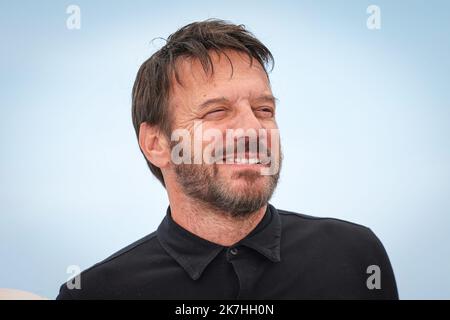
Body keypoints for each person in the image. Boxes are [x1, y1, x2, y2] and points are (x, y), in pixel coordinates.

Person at [57, 19, 398, 299]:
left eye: (264, 110)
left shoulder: (355, 256)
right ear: (156, 143)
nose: (252, 129)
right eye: (217, 112)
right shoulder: (97, 294)